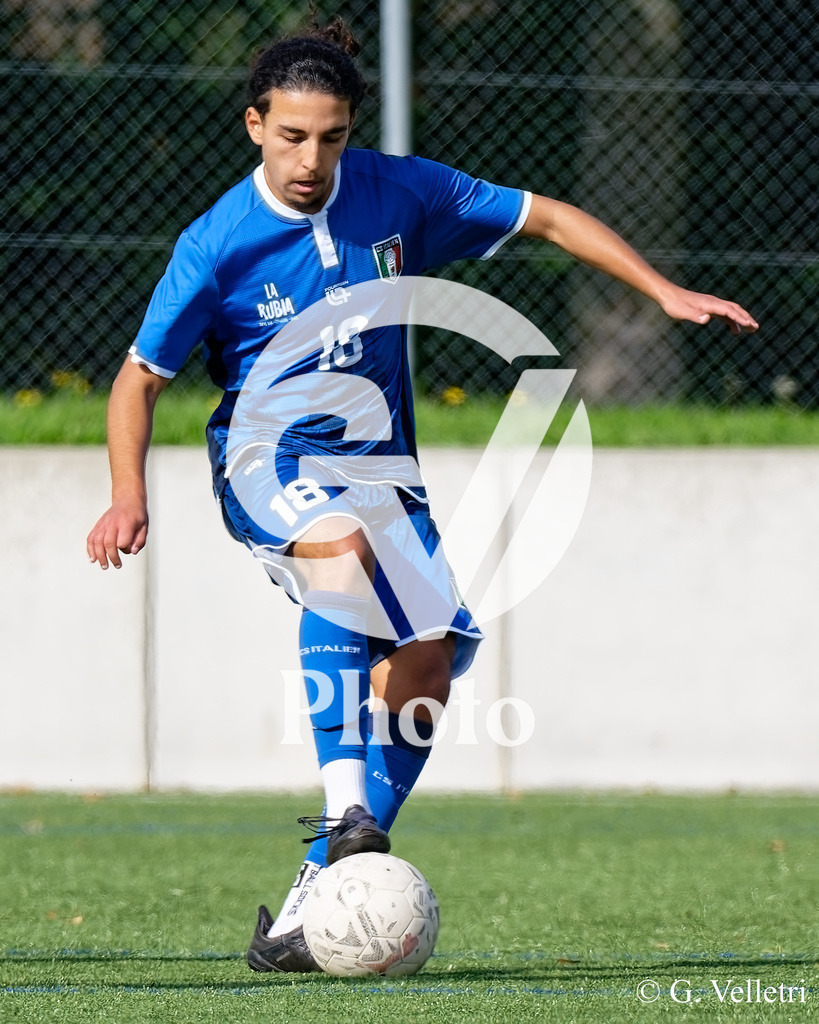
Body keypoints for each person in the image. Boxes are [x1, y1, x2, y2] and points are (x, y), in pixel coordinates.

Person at [86, 10, 758, 974]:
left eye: (330, 137)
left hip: (383, 474)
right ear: (252, 126)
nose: (311, 158)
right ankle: (346, 807)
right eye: (289, 137)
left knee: (430, 664)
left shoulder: (399, 191)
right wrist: (125, 493)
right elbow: (138, 378)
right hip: (267, 462)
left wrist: (662, 292)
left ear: (351, 131)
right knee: (339, 549)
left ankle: (321, 886)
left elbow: (549, 216)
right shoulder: (217, 244)